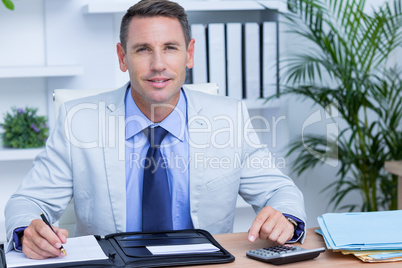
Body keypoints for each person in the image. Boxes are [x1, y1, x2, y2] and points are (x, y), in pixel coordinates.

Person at [5, 0, 306, 260]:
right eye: (143, 49)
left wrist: (286, 218)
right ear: (123, 57)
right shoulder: (78, 121)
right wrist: (26, 231)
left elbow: (279, 191)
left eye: (170, 48)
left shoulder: (228, 117)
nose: (158, 64)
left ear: (189, 54)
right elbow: (27, 202)